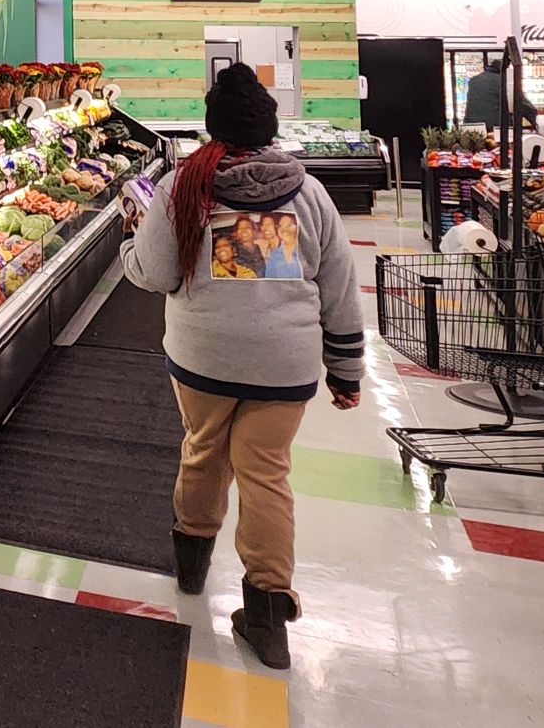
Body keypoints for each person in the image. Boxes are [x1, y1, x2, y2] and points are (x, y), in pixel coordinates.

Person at [121, 63, 363, 670]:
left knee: (203, 451)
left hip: (204, 357)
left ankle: (191, 572)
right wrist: (346, 368)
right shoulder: (308, 193)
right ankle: (266, 615)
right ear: (270, 128)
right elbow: (339, 286)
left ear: (213, 128)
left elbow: (155, 274)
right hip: (284, 365)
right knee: (266, 475)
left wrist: (130, 242)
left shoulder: (185, 187)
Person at [464, 55, 537, 130]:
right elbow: (523, 104)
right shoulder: (504, 81)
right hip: (495, 128)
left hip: (471, 127)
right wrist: (534, 122)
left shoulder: (473, 80)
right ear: (504, 70)